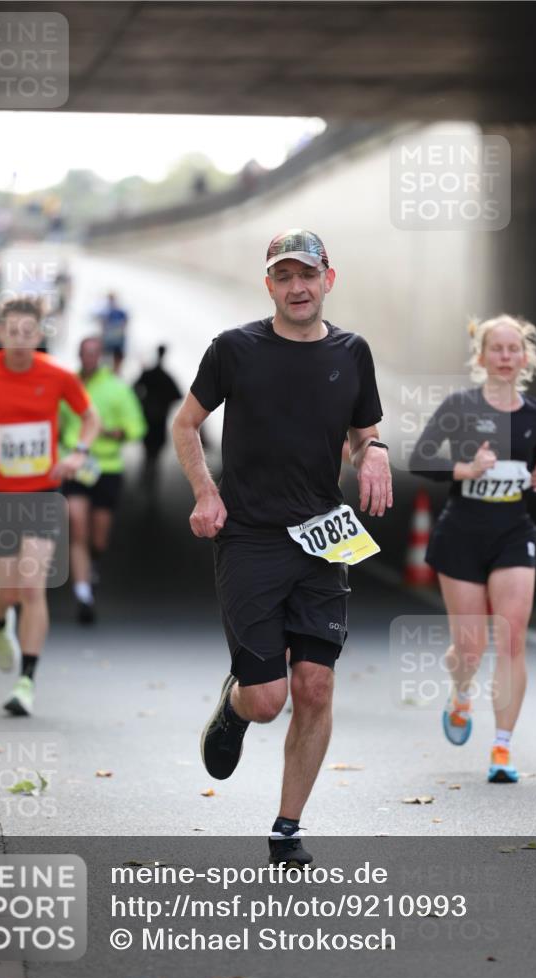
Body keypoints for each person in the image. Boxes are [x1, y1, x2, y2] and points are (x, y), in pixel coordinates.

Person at [172, 229, 391, 865]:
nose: (298, 287)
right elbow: (186, 425)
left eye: (308, 274)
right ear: (268, 284)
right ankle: (236, 707)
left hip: (324, 537)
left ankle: (288, 827)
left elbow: (362, 431)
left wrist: (372, 452)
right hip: (251, 539)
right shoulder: (235, 349)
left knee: (316, 686)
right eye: (284, 276)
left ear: (329, 278)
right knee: (269, 700)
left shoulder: (353, 352)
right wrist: (205, 495)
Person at [409, 315, 536, 783]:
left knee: (511, 637)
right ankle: (461, 690)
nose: (507, 357)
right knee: (469, 649)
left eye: (515, 349)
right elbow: (421, 458)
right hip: (463, 534)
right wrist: (466, 469)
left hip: (514, 530)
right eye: (498, 349)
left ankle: (502, 748)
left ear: (525, 358)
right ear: (482, 357)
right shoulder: (461, 405)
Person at [0, 299, 100, 716]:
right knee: (6, 593)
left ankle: (27, 681)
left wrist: (76, 455)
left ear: (38, 334)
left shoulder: (56, 375)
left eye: (26, 331)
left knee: (32, 589)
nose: (18, 339)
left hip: (42, 496)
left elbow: (91, 418)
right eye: (10, 331)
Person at [60, 335, 146, 623]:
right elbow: (52, 422)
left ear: (101, 357)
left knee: (98, 538)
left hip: (107, 468)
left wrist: (113, 432)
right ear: (79, 355)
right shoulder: (67, 385)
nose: (89, 359)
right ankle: (83, 594)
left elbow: (137, 428)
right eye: (85, 353)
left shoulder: (117, 388)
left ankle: (92, 565)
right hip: (76, 465)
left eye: (95, 354)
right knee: (77, 527)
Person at [133, 345, 182, 493]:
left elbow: (134, 388)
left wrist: (144, 402)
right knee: (154, 453)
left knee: (149, 452)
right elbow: (177, 396)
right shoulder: (166, 377)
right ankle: (150, 478)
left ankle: (147, 477)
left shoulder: (149, 374)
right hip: (158, 420)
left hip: (149, 419)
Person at [98, 293, 129, 374]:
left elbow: (103, 326)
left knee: (111, 362)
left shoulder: (112, 312)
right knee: (108, 362)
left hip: (114, 341)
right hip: (113, 340)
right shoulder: (108, 312)